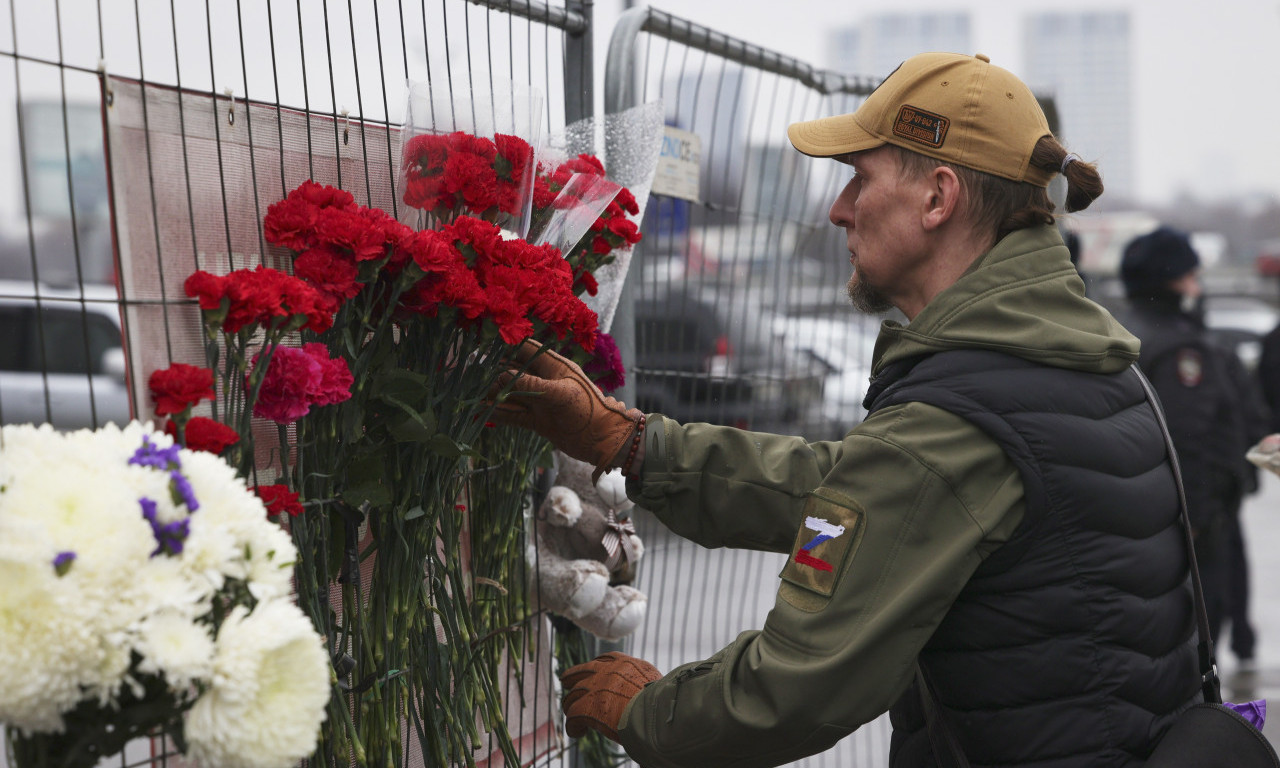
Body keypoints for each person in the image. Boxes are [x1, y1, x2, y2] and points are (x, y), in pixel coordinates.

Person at [495, 52, 1201, 767]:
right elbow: (866, 491)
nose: (837, 209)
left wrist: (648, 708)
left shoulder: (954, 422)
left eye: (860, 179)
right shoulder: (1085, 366)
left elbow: (792, 691)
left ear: (938, 198)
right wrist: (636, 444)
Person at [1111, 226, 1260, 655]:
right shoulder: (1180, 346)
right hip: (1193, 523)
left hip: (1143, 514)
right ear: (1173, 280)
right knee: (1199, 633)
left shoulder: (1119, 327)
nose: (1198, 285)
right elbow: (1187, 438)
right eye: (1192, 274)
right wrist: (1194, 521)